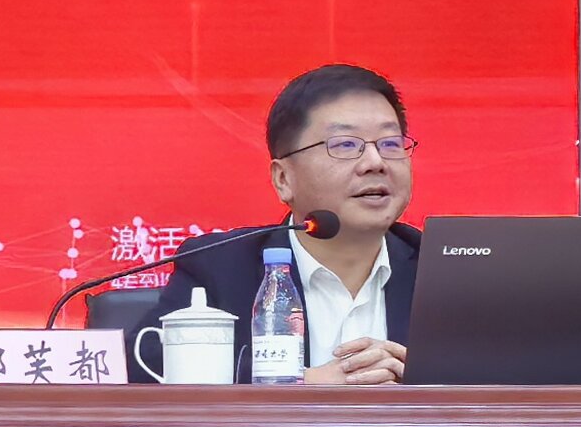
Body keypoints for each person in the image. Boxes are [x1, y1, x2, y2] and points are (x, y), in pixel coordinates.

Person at [133, 63, 420, 385]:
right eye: (345, 145)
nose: (375, 162)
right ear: (283, 179)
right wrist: (299, 385)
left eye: (390, 144)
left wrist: (422, 383)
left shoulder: (445, 269)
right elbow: (141, 369)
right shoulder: (219, 267)